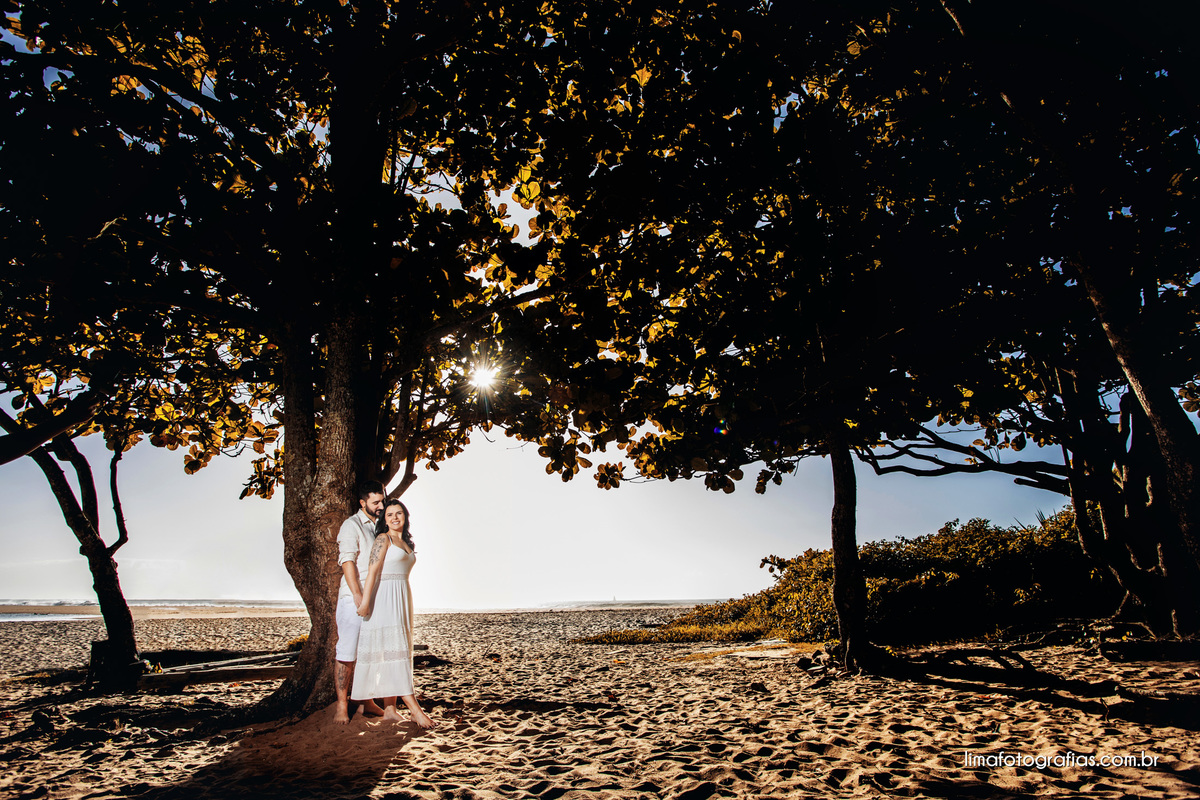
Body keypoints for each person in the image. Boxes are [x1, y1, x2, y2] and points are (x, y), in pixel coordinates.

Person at [353, 498, 437, 728]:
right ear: (384, 518)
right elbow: (372, 572)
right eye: (389, 514)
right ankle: (415, 711)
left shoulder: (406, 541)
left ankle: (390, 709)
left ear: (405, 516)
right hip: (384, 599)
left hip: (402, 596)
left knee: (397, 652)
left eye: (399, 513)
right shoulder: (383, 539)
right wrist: (365, 602)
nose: (395, 517)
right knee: (394, 652)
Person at [333, 480, 387, 724]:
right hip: (353, 599)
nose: (380, 505)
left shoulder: (380, 526)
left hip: (377, 598)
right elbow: (347, 561)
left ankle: (367, 702)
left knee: (371, 653)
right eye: (375, 502)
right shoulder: (351, 525)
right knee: (347, 652)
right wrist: (356, 594)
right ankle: (341, 706)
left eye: (382, 500)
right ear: (362, 502)